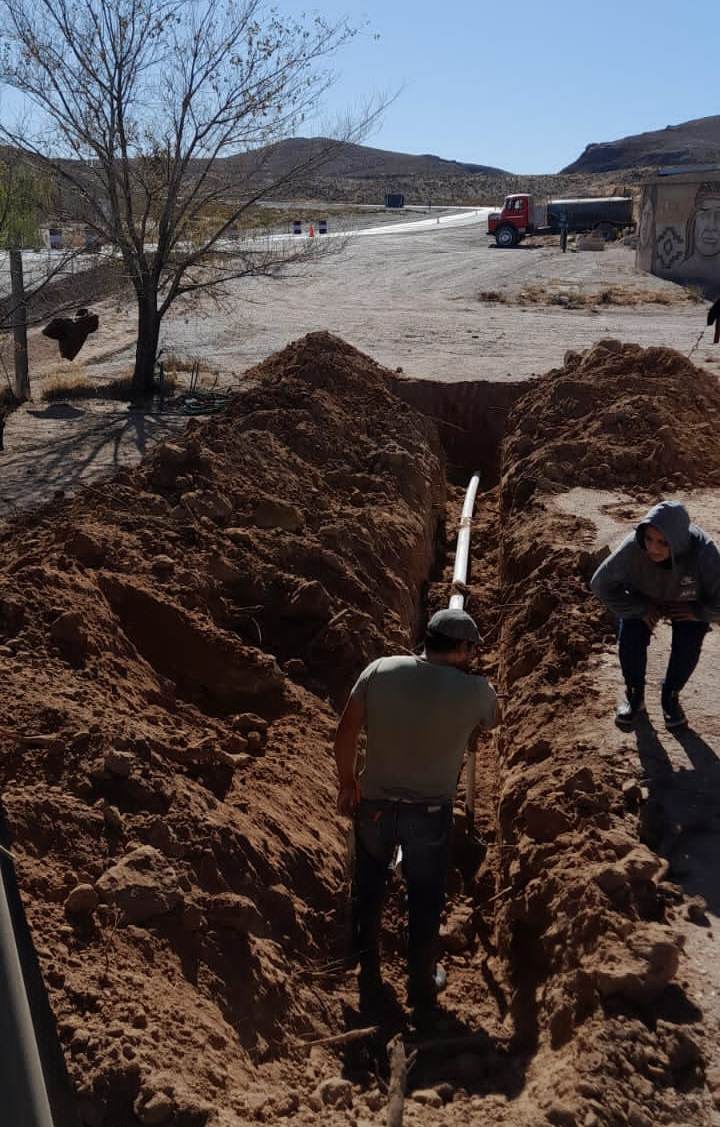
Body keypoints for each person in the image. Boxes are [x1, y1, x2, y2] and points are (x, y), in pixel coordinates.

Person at [333, 608, 498, 1017]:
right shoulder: (477, 690)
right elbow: (492, 724)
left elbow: (347, 730)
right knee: (425, 896)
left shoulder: (380, 670)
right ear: (461, 649)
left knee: (368, 884)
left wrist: (347, 783)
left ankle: (365, 965)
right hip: (429, 813)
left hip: (373, 806)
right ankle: (421, 984)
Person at [590, 500, 720, 730]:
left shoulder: (705, 554)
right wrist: (637, 608)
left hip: (688, 600)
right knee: (630, 638)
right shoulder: (633, 547)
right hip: (645, 596)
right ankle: (634, 695)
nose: (653, 548)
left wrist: (698, 612)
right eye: (649, 539)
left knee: (688, 643)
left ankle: (670, 695)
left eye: (662, 542)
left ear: (679, 542)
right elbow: (600, 584)